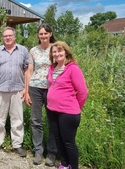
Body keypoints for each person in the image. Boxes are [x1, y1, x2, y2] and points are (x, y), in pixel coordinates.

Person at [0, 26, 29, 157]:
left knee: (17, 119)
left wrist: (26, 89)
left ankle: (17, 144)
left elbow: (28, 70)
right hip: (0, 89)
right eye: (5, 36)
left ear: (14, 36)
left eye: (10, 35)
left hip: (18, 90)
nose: (8, 38)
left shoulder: (23, 50)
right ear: (2, 38)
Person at [46, 41, 88, 169]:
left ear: (66, 52)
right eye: (54, 51)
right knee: (58, 139)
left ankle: (74, 166)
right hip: (52, 110)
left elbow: (83, 92)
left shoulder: (72, 68)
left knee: (68, 142)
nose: (57, 54)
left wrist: (76, 108)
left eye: (59, 51)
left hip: (68, 113)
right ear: (51, 54)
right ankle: (64, 164)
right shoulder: (52, 68)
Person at [24, 24, 58, 166]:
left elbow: (62, 67)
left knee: (53, 121)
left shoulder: (56, 48)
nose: (43, 36)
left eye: (46, 33)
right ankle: (38, 150)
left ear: (50, 34)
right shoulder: (33, 50)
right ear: (38, 35)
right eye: (41, 34)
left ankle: (52, 152)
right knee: (36, 120)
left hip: (52, 88)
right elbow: (29, 71)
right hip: (35, 88)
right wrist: (26, 91)